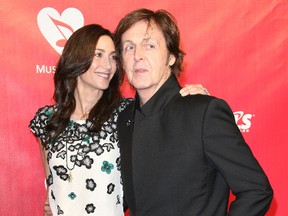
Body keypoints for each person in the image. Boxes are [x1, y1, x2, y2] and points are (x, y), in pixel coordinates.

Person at [29, 24, 209, 216]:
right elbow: (52, 182)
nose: (108, 65)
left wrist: (195, 99)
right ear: (77, 58)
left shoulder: (126, 114)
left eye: (113, 57)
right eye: (98, 55)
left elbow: (168, 115)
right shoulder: (47, 120)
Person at [114, 8, 273, 216]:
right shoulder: (124, 118)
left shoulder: (203, 112)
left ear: (171, 57)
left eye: (150, 46)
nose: (138, 56)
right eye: (129, 48)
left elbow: (257, 190)